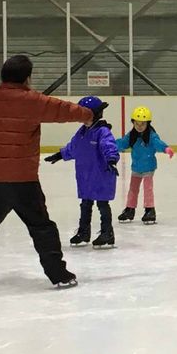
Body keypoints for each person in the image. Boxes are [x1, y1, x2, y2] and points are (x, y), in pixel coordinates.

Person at [0, 55, 91, 287]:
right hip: (22, 178)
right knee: (42, 227)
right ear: (27, 78)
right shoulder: (32, 101)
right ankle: (58, 273)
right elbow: (63, 110)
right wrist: (88, 115)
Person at [45, 96, 120, 249]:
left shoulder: (102, 131)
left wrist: (111, 159)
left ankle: (107, 233)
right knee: (85, 204)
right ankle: (83, 232)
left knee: (102, 204)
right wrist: (60, 155)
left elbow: (109, 146)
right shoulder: (82, 132)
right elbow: (73, 148)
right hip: (85, 176)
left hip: (101, 174)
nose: (81, 118)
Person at [115, 106, 175, 225]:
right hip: (136, 167)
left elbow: (158, 143)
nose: (139, 126)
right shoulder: (132, 135)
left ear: (148, 123)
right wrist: (110, 144)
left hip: (148, 167)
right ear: (133, 123)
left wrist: (165, 148)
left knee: (147, 189)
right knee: (133, 189)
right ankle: (130, 209)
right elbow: (122, 143)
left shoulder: (151, 136)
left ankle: (149, 210)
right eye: (137, 124)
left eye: (142, 124)